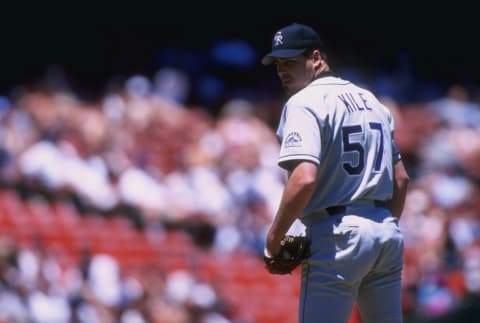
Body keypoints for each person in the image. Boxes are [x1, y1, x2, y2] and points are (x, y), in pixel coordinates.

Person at [262, 23, 410, 323]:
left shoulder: (303, 102)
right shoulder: (372, 102)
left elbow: (304, 178)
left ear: (316, 57)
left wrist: (273, 241)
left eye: (290, 61)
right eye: (278, 64)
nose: (282, 71)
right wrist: (383, 225)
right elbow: (401, 178)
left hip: (337, 236)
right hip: (386, 231)